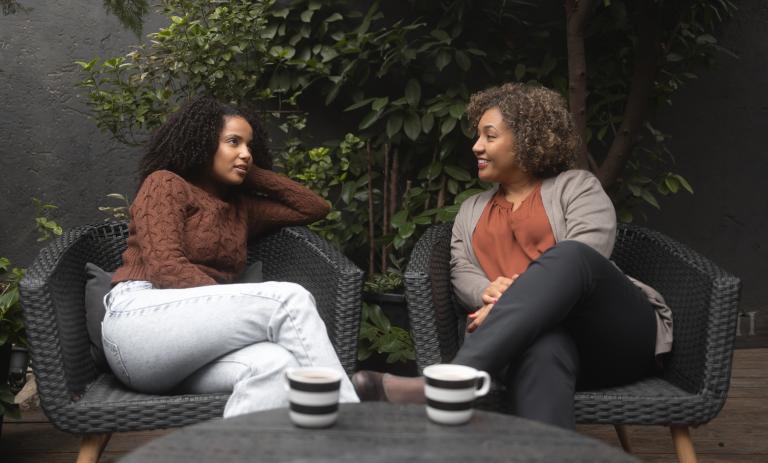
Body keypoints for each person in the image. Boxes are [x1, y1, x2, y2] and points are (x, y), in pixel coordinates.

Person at [351, 83, 672, 429]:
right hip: (526, 348)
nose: (477, 146)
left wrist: (508, 303)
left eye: (489, 137)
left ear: (527, 140)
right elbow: (461, 269)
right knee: (544, 347)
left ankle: (451, 380)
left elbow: (588, 258)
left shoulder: (577, 187)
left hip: (610, 339)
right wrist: (486, 292)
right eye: (477, 137)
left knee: (571, 255)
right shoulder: (471, 210)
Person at [101, 96, 359, 417]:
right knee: (288, 299)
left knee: (276, 365)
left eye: (250, 146)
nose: (246, 153)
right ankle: (353, 429)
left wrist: (250, 171)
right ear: (202, 143)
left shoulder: (241, 209)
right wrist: (232, 298)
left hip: (190, 349)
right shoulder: (165, 185)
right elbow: (166, 269)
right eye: (233, 142)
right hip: (138, 325)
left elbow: (313, 207)